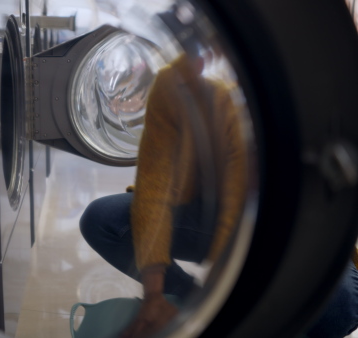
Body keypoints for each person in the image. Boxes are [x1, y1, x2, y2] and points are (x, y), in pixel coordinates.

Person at [79, 5, 358, 338]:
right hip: (212, 211)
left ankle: (235, 307)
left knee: (341, 309)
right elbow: (154, 189)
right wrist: (154, 295)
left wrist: (229, 306)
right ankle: (186, 298)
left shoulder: (314, 88)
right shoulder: (176, 84)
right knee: (101, 220)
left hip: (297, 225)